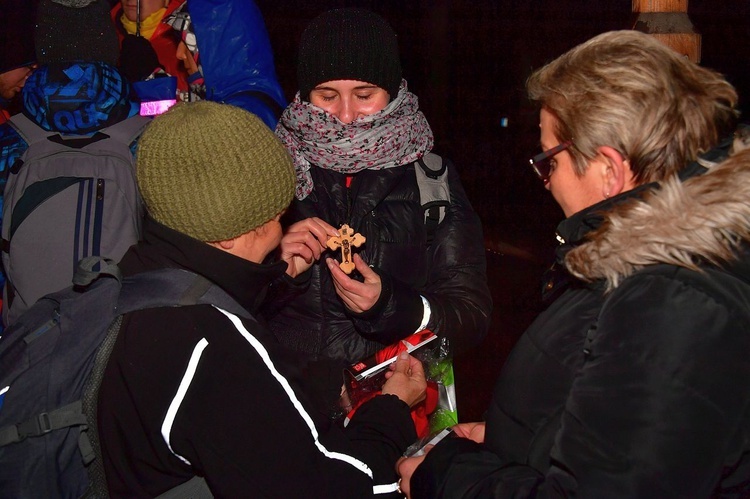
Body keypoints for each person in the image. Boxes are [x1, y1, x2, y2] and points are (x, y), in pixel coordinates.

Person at [396, 30, 750, 498]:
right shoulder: (650, 263)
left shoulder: (675, 299)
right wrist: (517, 443)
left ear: (609, 169)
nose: (544, 181)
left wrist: (444, 475)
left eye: (549, 161)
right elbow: (627, 437)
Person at [97, 100, 427, 498]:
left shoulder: (128, 283)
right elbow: (329, 487)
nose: (281, 226)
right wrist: (390, 409)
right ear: (228, 233)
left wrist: (273, 280)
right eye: (274, 213)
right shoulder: (213, 349)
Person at [267, 8, 491, 367]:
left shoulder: (432, 178)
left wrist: (390, 306)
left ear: (392, 89)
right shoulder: (271, 169)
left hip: (391, 402)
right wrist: (275, 273)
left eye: (364, 94)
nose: (345, 115)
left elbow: (470, 314)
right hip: (286, 400)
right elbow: (221, 302)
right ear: (304, 94)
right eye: (326, 96)